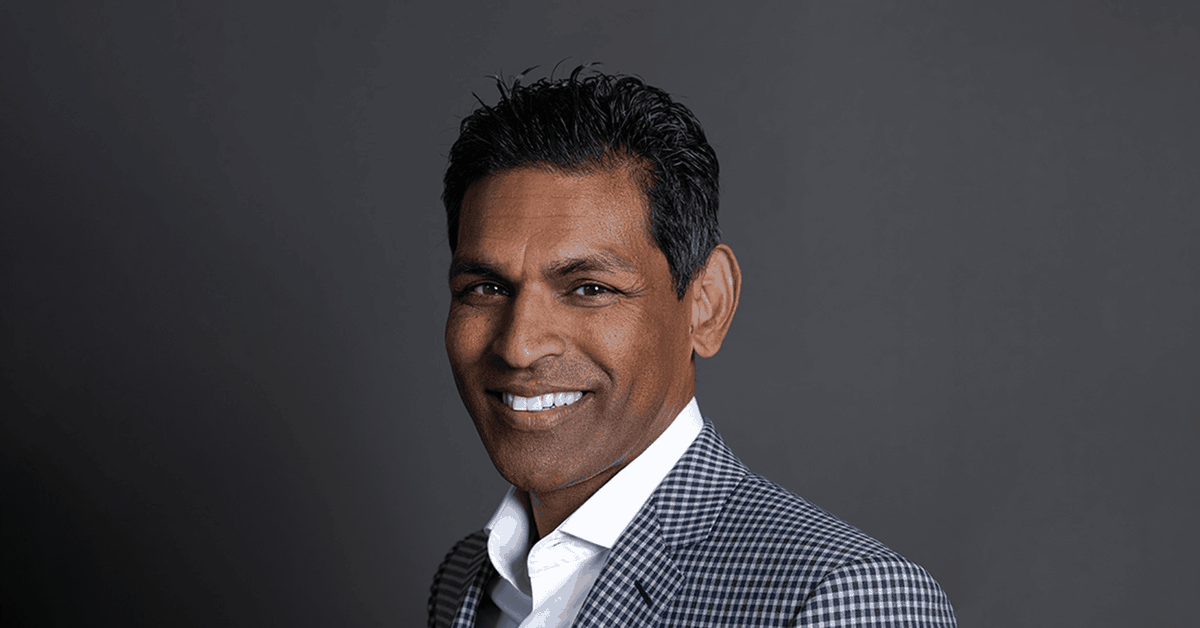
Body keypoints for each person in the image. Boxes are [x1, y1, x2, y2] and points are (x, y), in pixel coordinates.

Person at [428, 66, 956, 628]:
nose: (519, 347)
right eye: (485, 288)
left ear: (707, 304)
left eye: (590, 289)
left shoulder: (844, 598)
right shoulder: (466, 578)